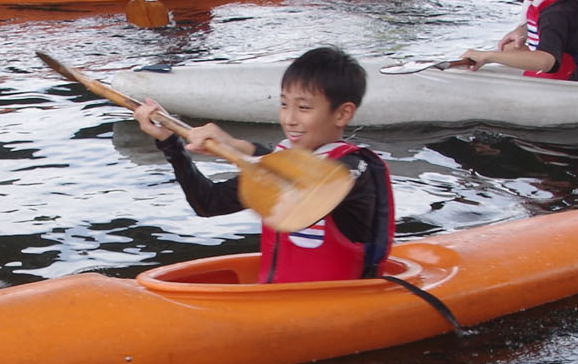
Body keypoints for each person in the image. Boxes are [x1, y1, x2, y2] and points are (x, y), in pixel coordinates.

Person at [133, 46, 395, 283]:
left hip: (333, 304)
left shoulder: (355, 170)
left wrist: (233, 146)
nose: (289, 119)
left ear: (342, 113)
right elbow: (208, 203)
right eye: (284, 104)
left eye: (303, 108)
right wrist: (170, 144)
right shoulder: (277, 163)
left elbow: (309, 188)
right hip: (276, 299)